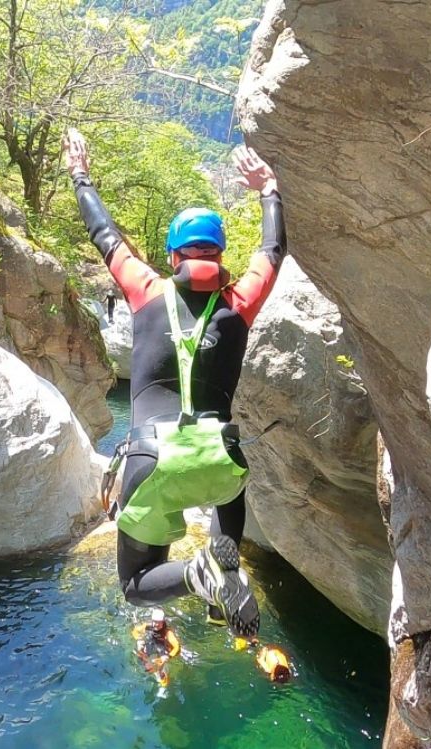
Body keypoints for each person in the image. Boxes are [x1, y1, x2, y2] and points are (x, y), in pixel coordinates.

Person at [63, 127, 286, 640]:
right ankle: (225, 599)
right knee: (227, 504)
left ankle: (195, 576)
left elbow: (104, 236)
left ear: (172, 257)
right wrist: (268, 186)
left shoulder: (144, 290)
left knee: (137, 582)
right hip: (221, 459)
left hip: (153, 458)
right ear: (220, 252)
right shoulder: (239, 302)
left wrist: (80, 173)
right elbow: (273, 249)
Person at [132, 607, 182, 685]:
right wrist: (139, 639)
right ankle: (147, 664)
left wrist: (169, 656)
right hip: (152, 643)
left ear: (163, 622)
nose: (156, 624)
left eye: (159, 622)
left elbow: (176, 646)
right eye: (154, 622)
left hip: (162, 647)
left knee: (163, 660)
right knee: (140, 648)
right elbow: (135, 631)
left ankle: (161, 674)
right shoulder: (147, 626)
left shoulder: (167, 632)